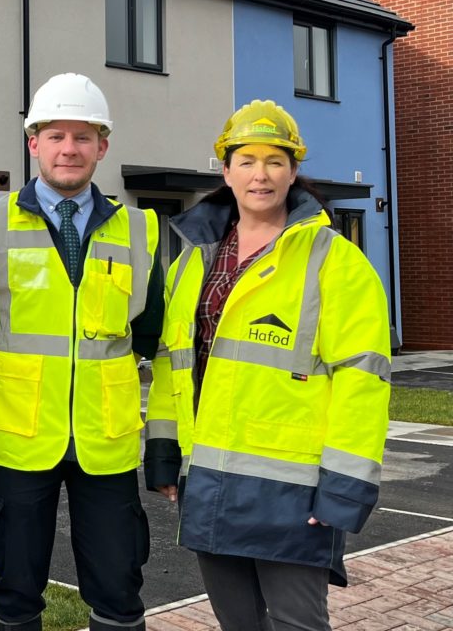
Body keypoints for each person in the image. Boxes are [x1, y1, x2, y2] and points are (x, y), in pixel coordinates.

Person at [144, 99, 391, 631]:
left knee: (297, 623)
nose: (262, 174)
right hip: (210, 479)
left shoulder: (335, 259)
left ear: (294, 171)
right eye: (248, 160)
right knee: (238, 624)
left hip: (294, 490)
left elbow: (363, 379)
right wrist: (165, 451)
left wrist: (342, 487)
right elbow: (174, 364)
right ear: (226, 170)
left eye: (275, 161)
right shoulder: (193, 259)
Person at [0, 73, 164, 631]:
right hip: (22, 436)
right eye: (55, 136)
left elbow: (149, 334)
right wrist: (8, 377)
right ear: (33, 143)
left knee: (119, 587)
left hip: (107, 438)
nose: (68, 149)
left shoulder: (139, 231)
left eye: (83, 136)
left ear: (103, 146)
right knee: (15, 586)